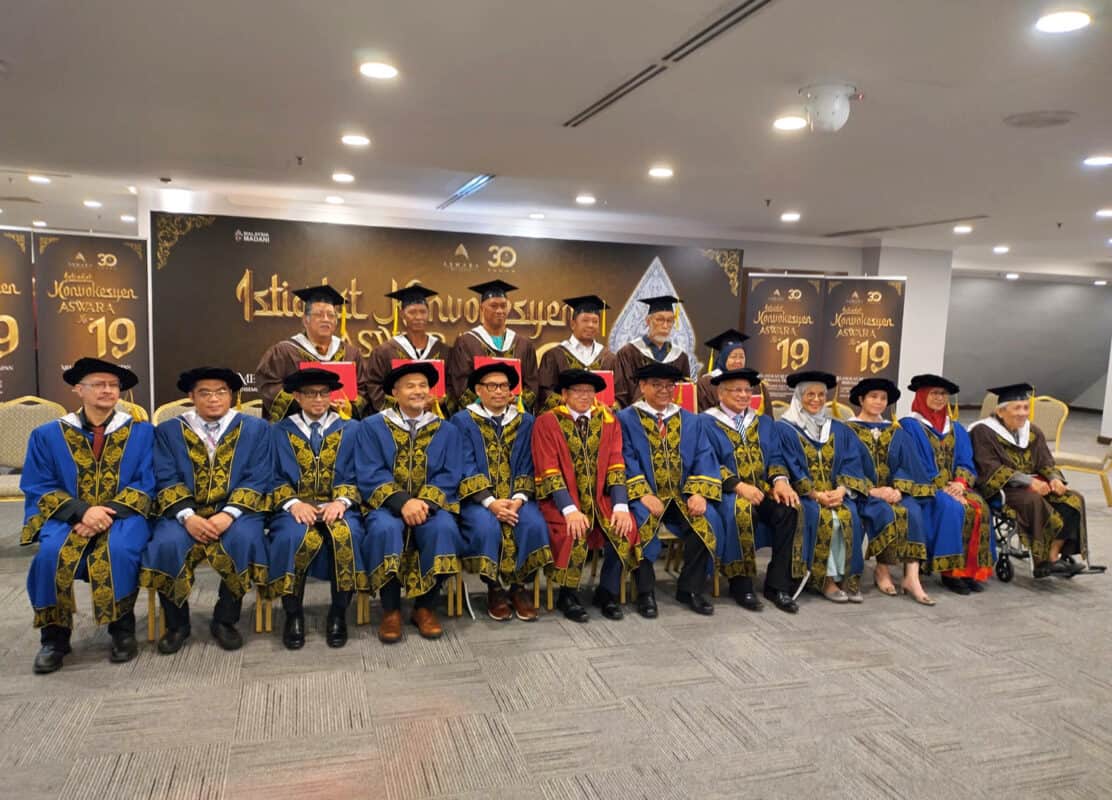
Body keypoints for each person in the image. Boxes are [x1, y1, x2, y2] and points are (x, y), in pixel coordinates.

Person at [20, 358, 153, 674]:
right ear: (79, 389)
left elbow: (148, 481)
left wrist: (103, 513)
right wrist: (81, 512)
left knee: (119, 551)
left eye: (113, 385)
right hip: (69, 516)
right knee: (50, 555)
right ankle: (54, 638)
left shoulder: (142, 432)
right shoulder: (48, 435)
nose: (108, 390)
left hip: (123, 515)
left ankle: (121, 631)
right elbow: (38, 485)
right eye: (99, 384)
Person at [140, 367, 272, 653]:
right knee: (166, 544)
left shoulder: (255, 428)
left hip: (237, 510)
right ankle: (177, 625)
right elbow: (165, 475)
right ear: (191, 396)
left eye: (221, 391)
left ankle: (225, 620)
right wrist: (188, 517)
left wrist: (229, 514)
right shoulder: (168, 430)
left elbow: (259, 475)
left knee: (244, 540)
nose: (214, 398)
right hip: (184, 511)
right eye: (205, 392)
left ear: (232, 396)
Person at [356, 362, 463, 643]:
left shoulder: (446, 429)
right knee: (384, 530)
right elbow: (368, 471)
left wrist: (423, 502)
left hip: (431, 505)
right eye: (410, 385)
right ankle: (390, 609)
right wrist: (403, 502)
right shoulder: (372, 426)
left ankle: (425, 606)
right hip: (386, 504)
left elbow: (451, 473)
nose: (418, 391)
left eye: (423, 386)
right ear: (394, 392)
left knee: (444, 530)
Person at [268, 368, 368, 649]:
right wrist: (293, 503)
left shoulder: (353, 429)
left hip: (338, 506)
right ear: (297, 397)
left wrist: (342, 501)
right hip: (294, 508)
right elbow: (269, 476)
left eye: (324, 393)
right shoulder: (277, 432)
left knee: (348, 535)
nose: (318, 399)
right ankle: (293, 614)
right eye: (310, 393)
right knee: (291, 538)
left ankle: (338, 613)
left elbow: (362, 473)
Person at [532, 369, 637, 622]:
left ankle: (607, 591)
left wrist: (620, 505)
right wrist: (570, 510)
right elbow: (549, 470)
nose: (584, 396)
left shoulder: (609, 420)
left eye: (589, 391)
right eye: (578, 391)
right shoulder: (547, 422)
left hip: (601, 499)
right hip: (560, 501)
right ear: (565, 394)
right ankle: (568, 594)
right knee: (574, 530)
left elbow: (616, 463)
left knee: (625, 527)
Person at [618, 362, 722, 617]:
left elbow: (703, 455)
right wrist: (642, 493)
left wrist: (698, 492)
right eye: (656, 385)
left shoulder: (691, 420)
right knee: (641, 524)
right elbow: (623, 459)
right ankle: (645, 592)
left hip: (682, 495)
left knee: (706, 520)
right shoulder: (626, 419)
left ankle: (690, 589)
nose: (664, 390)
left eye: (669, 386)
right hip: (645, 495)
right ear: (642, 387)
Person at [451, 363, 551, 621]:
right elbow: (463, 463)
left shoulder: (526, 421)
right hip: (479, 500)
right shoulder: (462, 421)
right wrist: (490, 502)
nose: (499, 391)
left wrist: (518, 499)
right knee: (486, 528)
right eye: (492, 386)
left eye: (504, 386)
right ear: (478, 390)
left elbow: (530, 462)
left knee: (533, 524)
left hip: (518, 497)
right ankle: (493, 587)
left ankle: (520, 588)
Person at [700, 367, 802, 613]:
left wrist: (779, 480)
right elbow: (706, 461)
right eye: (737, 390)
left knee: (788, 510)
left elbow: (776, 456)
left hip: (762, 489)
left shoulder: (764, 422)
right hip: (726, 492)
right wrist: (738, 485)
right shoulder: (705, 421)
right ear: (721, 393)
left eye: (748, 390)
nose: (744, 395)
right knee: (741, 511)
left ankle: (777, 585)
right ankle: (741, 584)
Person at [968, 383, 1087, 578]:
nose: (1023, 413)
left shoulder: (1033, 432)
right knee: (1033, 501)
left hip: (1037, 485)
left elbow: (1045, 461)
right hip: (1003, 489)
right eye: (1017, 408)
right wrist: (1028, 482)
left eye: (1026, 408)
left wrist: (1054, 479)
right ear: (1000, 411)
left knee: (1073, 499)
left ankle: (1053, 555)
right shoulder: (983, 432)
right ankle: (1042, 561)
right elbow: (989, 468)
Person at [777, 371, 870, 603]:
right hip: (806, 496)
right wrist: (815, 493)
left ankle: (846, 579)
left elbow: (851, 461)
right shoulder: (785, 428)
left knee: (849, 514)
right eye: (810, 394)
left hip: (836, 493)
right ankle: (825, 580)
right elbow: (788, 464)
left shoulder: (838, 429)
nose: (816, 399)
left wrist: (841, 491)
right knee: (828, 519)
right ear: (798, 397)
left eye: (821, 395)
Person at [899, 374, 992, 595]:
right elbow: (915, 464)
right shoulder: (909, 426)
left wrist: (960, 484)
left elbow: (965, 460)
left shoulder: (957, 428)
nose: (940, 398)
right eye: (934, 393)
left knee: (979, 507)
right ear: (922, 395)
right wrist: (946, 489)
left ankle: (969, 571)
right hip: (925, 487)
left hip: (955, 487)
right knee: (951, 507)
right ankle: (950, 572)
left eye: (943, 394)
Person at [845, 378, 934, 605]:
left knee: (913, 511)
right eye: (873, 397)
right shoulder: (847, 430)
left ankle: (912, 578)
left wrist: (898, 490)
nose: (878, 401)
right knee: (884, 512)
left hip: (893, 492)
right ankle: (882, 571)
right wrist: (873, 490)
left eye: (883, 398)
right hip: (864, 494)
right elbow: (844, 465)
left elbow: (909, 465)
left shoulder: (897, 432)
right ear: (861, 399)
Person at [255, 284, 370, 420]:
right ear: (305, 320)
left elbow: (363, 390)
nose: (326, 319)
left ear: (336, 321)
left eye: (331, 315)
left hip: (339, 428)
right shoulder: (284, 352)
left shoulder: (351, 354)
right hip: (297, 428)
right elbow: (269, 386)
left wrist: (349, 406)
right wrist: (306, 403)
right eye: (319, 315)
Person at [446, 280, 540, 411]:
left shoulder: (523, 345)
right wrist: (489, 402)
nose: (500, 310)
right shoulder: (466, 342)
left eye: (503, 306)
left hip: (514, 415)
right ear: (482, 309)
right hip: (478, 417)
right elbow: (460, 383)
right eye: (494, 306)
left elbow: (532, 383)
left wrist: (518, 400)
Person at [365, 285, 450, 412]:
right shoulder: (384, 351)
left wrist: (442, 400)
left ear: (428, 314)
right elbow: (374, 386)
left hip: (434, 417)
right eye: (412, 312)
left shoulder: (443, 350)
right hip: (397, 420)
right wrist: (402, 404)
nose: (418, 317)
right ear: (402, 314)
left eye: (423, 312)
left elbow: (452, 386)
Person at [536, 295, 618, 411]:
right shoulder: (554, 355)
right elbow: (544, 391)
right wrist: (565, 401)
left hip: (600, 421)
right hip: (564, 420)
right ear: (573, 323)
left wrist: (612, 407)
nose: (590, 325)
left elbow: (620, 394)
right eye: (585, 320)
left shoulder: (609, 358)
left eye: (595, 321)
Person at [613, 295, 692, 408]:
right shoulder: (629, 353)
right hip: (636, 417)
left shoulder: (680, 356)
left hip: (671, 417)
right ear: (648, 321)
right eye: (660, 319)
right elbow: (621, 394)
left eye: (670, 321)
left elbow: (683, 392)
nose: (665, 325)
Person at [695, 330, 772, 415]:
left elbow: (767, 417)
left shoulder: (756, 385)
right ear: (723, 358)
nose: (738, 361)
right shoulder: (706, 384)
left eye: (742, 357)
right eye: (733, 356)